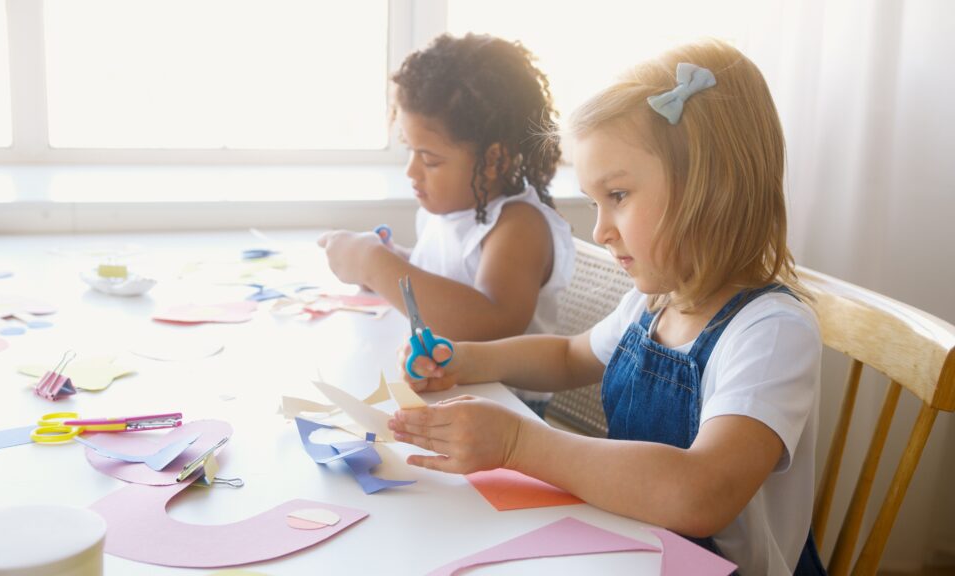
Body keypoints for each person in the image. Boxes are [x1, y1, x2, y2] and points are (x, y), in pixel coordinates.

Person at [388, 39, 826, 576]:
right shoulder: (655, 300)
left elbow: (700, 493)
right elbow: (571, 356)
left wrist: (518, 441)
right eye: (596, 203)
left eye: (617, 196)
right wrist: (469, 360)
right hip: (631, 546)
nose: (599, 229)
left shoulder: (771, 332)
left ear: (712, 190)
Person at [317, 34, 575, 413]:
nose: (411, 171)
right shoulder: (449, 211)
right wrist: (394, 259)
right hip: (445, 391)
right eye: (409, 150)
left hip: (504, 414)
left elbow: (488, 324)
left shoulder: (518, 226)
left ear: (494, 160)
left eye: (430, 159)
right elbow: (446, 282)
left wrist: (376, 264)